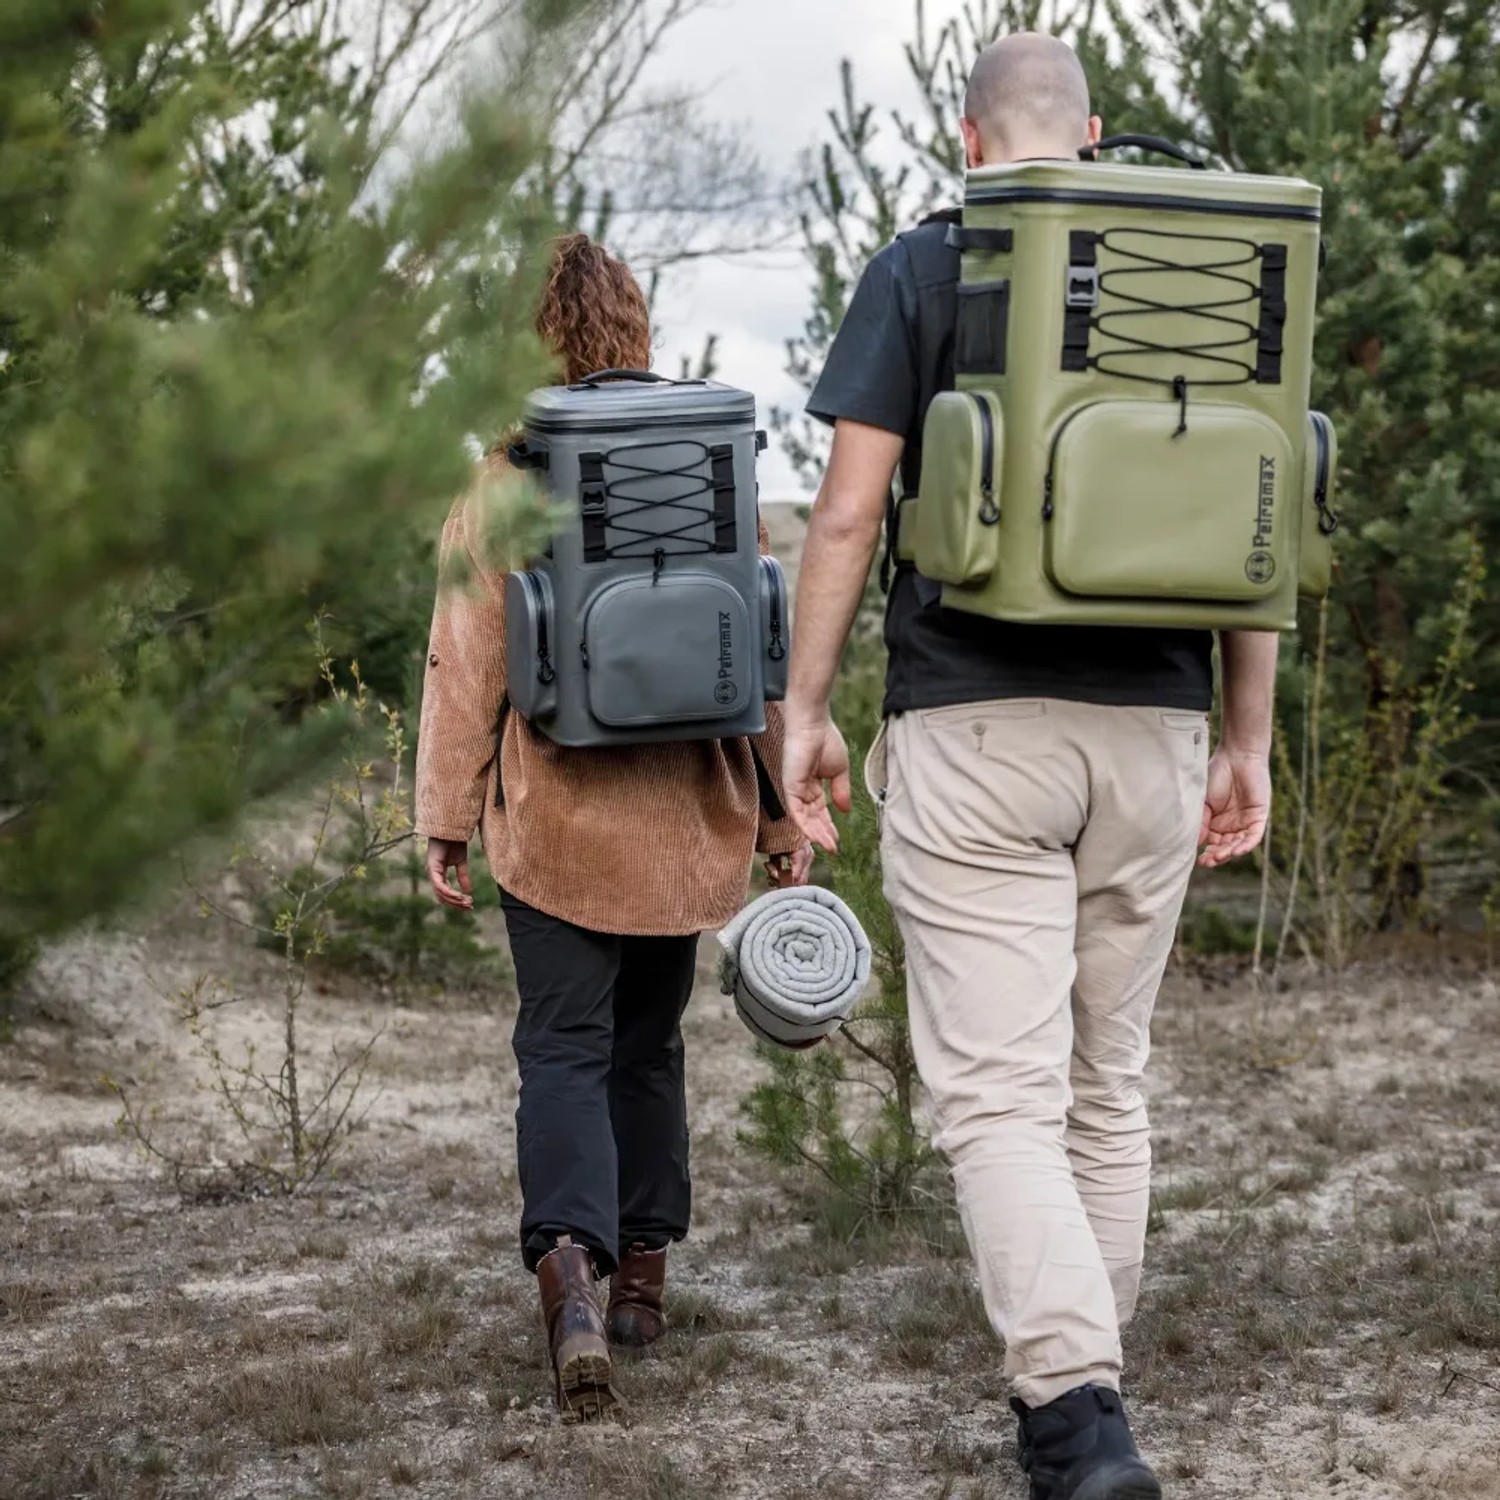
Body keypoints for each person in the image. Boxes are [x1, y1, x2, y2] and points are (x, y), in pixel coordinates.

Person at [780, 33, 1275, 1500]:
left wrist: (802, 707)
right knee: (1104, 1086)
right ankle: (1087, 1385)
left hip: (978, 728)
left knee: (998, 1100)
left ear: (970, 136)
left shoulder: (925, 266)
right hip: (1160, 734)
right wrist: (1245, 736)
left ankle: (1076, 1421)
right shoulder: (1213, 271)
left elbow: (851, 516)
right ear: (1099, 131)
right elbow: (1261, 518)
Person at [415, 232, 811, 1422]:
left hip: (559, 823)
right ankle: (644, 1279)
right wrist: (784, 810)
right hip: (687, 818)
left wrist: (442, 817)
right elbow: (764, 648)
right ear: (634, 328)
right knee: (648, 1047)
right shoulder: (705, 460)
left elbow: (464, 662)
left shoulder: (510, 474)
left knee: (563, 1048)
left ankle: (570, 1282)